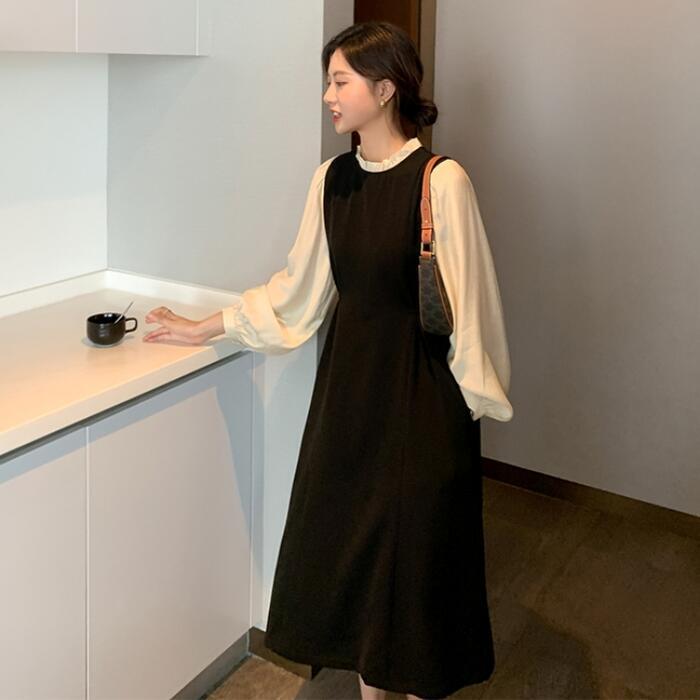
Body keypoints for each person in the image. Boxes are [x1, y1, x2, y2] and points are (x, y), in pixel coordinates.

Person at [143, 20, 512, 700]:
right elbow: (298, 293)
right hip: (349, 397)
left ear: (385, 87)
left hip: (425, 402)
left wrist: (474, 404)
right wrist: (205, 328)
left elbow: (474, 311)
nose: (328, 96)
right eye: (328, 81)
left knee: (417, 569)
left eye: (340, 81)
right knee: (356, 561)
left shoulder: (442, 181)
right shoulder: (332, 181)